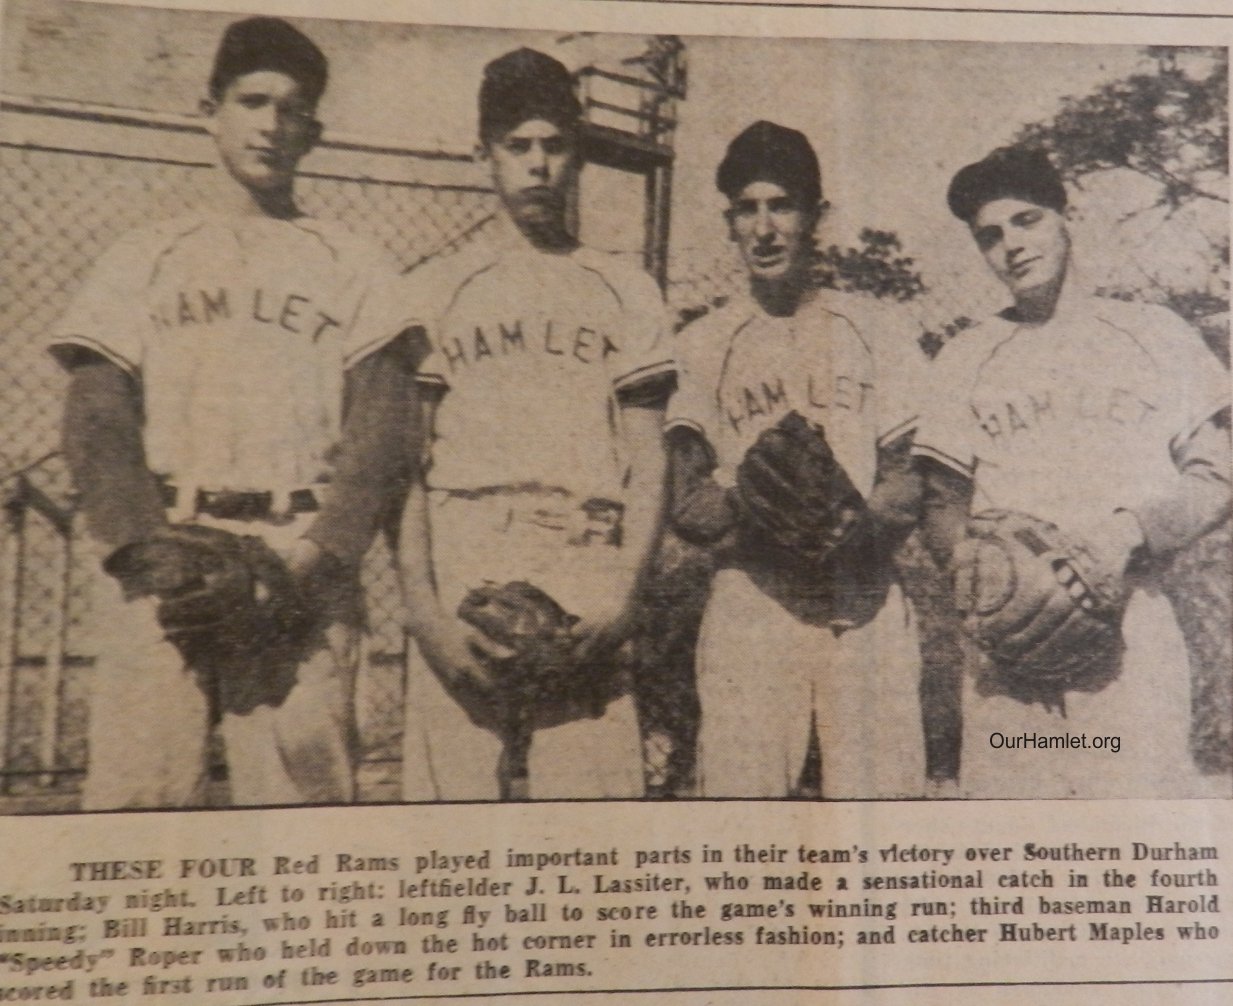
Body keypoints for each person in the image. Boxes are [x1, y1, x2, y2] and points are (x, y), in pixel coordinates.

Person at [49, 17, 419, 808]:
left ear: (313, 131)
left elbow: (383, 426)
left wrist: (318, 558)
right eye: (252, 101)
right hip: (166, 560)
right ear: (208, 107)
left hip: (300, 561)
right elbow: (96, 419)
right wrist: (151, 554)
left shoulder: (351, 261)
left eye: (293, 109)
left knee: (302, 824)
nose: (271, 124)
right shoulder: (145, 253)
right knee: (137, 811)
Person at [397, 48, 673, 801]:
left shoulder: (623, 287)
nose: (538, 165)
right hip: (467, 548)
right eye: (517, 146)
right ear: (483, 154)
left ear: (577, 155)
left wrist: (622, 596)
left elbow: (649, 463)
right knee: (448, 825)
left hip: (582, 553)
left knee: (593, 816)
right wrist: (424, 615)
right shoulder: (433, 289)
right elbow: (409, 470)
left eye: (554, 146)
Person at [914, 144, 1232, 798]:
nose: (1010, 246)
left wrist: (1127, 533)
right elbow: (940, 502)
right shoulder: (965, 355)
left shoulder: (1152, 331)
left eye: (1025, 220)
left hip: (1127, 631)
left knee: (1136, 836)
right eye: (989, 236)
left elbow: (1217, 473)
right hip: (1009, 650)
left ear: (1067, 214)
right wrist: (980, 576)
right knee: (1012, 845)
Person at [665, 121, 927, 798]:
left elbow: (909, 475)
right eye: (746, 210)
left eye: (780, 205)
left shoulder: (876, 330)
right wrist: (758, 510)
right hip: (755, 602)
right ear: (729, 223)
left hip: (862, 594)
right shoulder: (702, 342)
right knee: (740, 820)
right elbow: (686, 504)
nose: (764, 227)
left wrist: (859, 525)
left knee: (885, 820)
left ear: (816, 215)